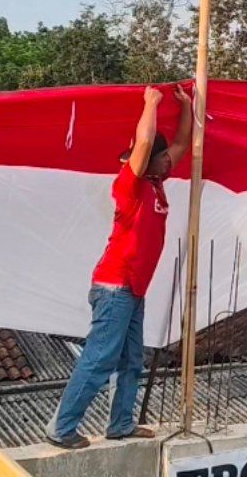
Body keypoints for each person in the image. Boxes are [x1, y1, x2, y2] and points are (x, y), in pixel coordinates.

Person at [47, 85, 192, 449]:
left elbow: (181, 145)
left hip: (133, 289)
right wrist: (151, 103)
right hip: (115, 287)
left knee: (130, 360)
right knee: (100, 358)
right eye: (161, 158)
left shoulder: (157, 184)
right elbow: (144, 146)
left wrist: (188, 107)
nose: (168, 161)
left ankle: (121, 424)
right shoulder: (130, 186)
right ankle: (62, 429)